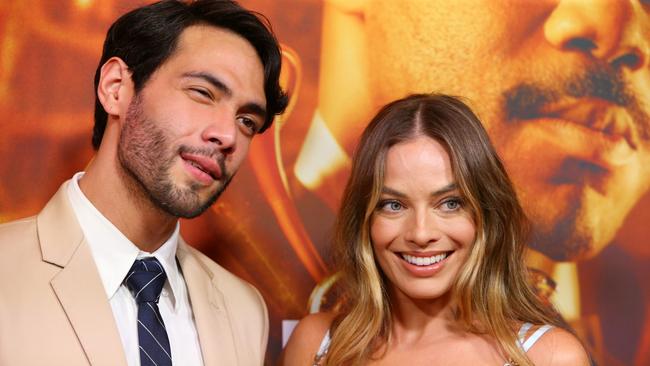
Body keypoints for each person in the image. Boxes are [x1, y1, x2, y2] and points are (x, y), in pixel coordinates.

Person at [0, 0, 287, 365]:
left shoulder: (244, 309)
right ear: (116, 87)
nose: (228, 134)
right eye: (202, 93)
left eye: (247, 120)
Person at [282, 94, 590, 366]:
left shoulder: (549, 357)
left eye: (450, 204)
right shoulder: (315, 345)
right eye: (393, 205)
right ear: (364, 219)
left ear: (485, 215)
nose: (420, 233)